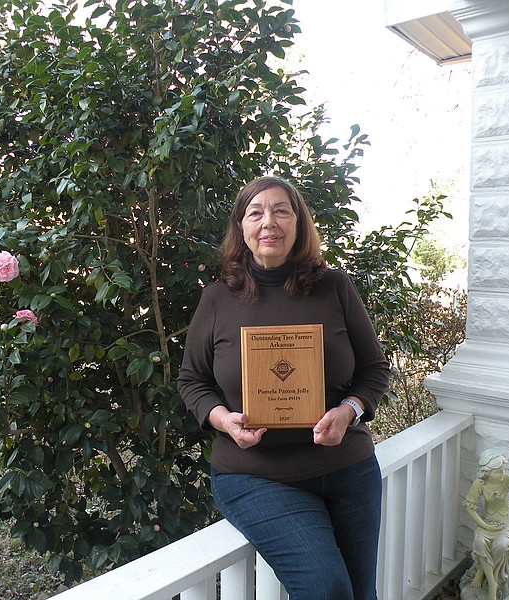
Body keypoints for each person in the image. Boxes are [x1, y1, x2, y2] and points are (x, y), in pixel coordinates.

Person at [178, 176, 390, 600]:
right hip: (258, 476)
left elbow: (374, 370)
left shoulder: (334, 287)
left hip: (348, 469)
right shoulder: (218, 299)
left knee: (361, 593)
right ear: (241, 228)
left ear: (298, 224)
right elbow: (192, 381)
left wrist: (348, 410)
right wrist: (224, 421)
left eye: (281, 210)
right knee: (326, 588)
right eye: (255, 212)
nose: (268, 222)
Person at [461, 449, 509, 600]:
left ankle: (482, 573)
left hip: (506, 524)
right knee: (480, 542)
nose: (502, 474)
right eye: (498, 471)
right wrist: (485, 526)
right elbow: (469, 507)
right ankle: (492, 582)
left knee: (501, 545)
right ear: (487, 472)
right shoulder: (479, 484)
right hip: (487, 522)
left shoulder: (507, 480)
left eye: (503, 470)